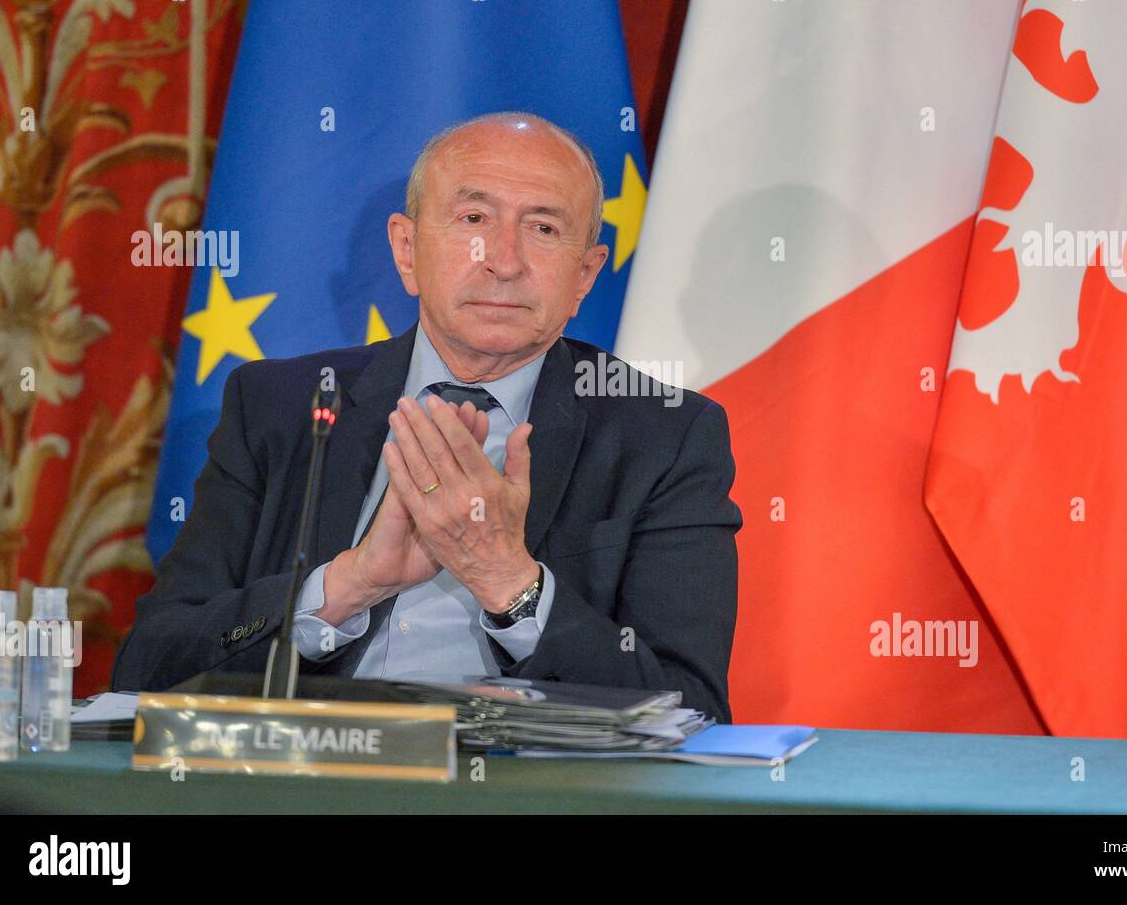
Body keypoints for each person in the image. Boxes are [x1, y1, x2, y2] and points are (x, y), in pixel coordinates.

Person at [111, 111, 742, 722]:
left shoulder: (667, 436)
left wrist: (510, 583)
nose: (505, 260)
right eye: (473, 218)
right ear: (407, 250)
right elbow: (147, 668)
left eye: (543, 229)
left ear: (585, 274)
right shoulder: (279, 405)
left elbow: (690, 710)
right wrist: (346, 587)